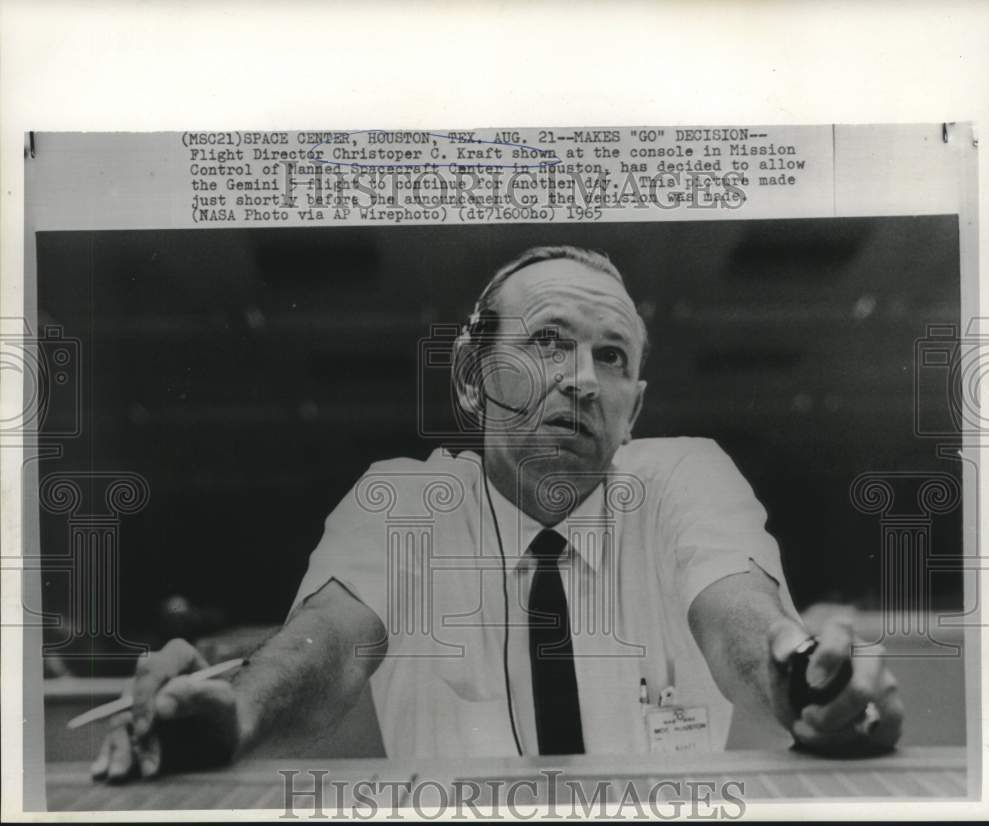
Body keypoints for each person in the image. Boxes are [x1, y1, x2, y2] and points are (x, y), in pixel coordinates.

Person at [91, 245, 903, 781]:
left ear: (634, 408)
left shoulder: (686, 476)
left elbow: (738, 617)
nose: (584, 379)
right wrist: (238, 714)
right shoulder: (408, 501)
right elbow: (330, 644)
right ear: (472, 378)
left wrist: (805, 688)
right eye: (549, 341)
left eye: (611, 358)